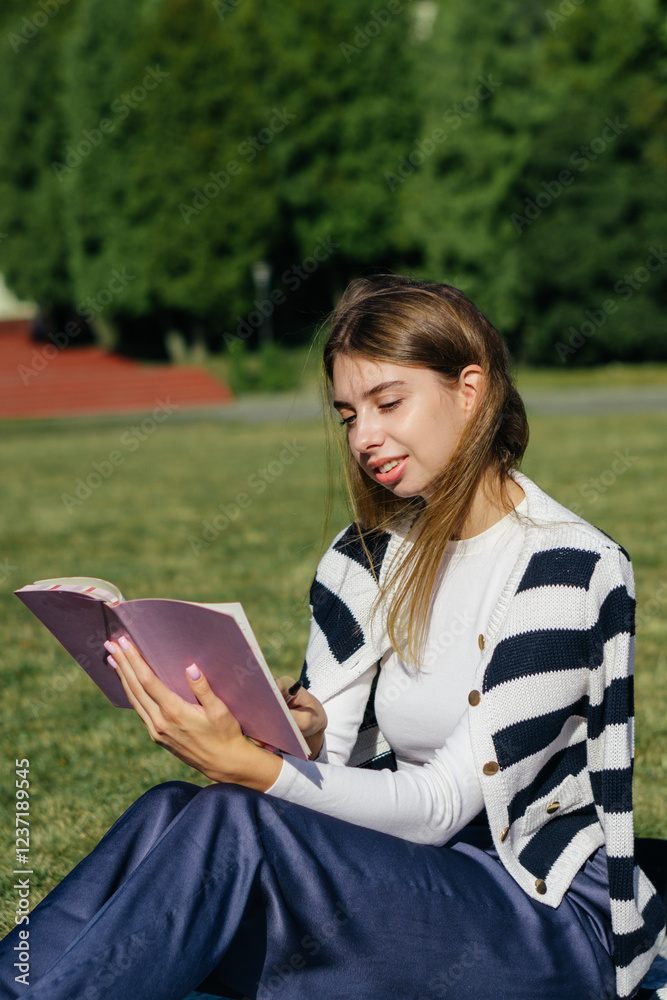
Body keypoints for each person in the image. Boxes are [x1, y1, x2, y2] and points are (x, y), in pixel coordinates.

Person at [1, 274, 664, 1000]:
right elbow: (334, 758)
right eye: (348, 414)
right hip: (406, 880)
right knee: (171, 809)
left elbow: (441, 804)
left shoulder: (565, 568)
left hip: (542, 918)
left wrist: (255, 772)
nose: (363, 437)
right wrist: (297, 730)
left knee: (235, 820)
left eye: (387, 403)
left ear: (469, 389)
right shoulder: (366, 553)